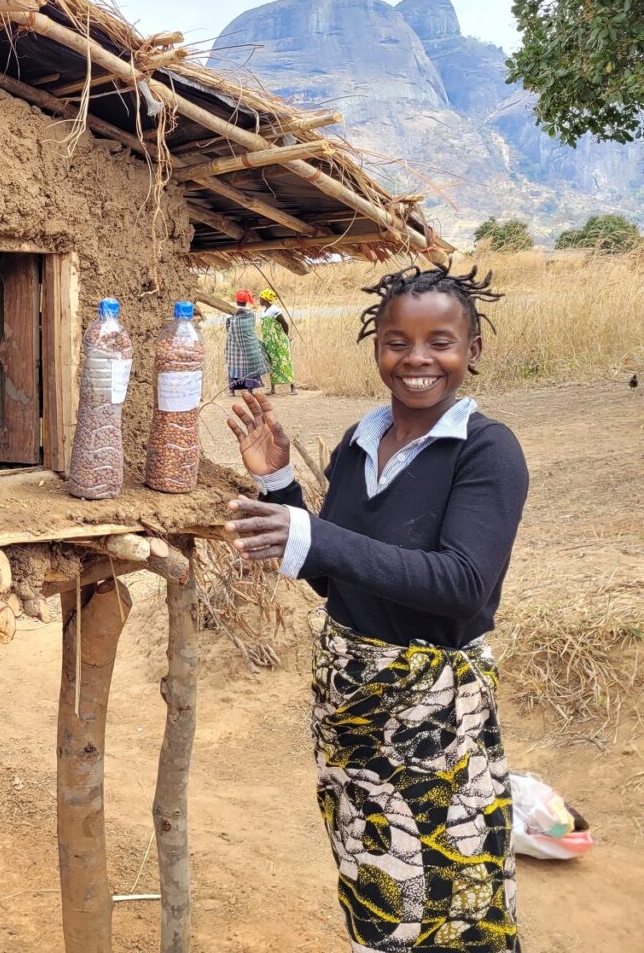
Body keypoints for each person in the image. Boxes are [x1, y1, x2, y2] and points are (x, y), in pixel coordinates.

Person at [222, 265, 528, 952]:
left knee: (451, 904)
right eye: (397, 341)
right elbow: (339, 584)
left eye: (439, 341)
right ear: (377, 348)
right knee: (376, 892)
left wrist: (316, 534)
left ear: (471, 350)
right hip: (352, 723)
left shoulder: (485, 451)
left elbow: (462, 584)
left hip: (434, 731)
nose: (417, 359)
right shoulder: (359, 444)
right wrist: (278, 485)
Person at [225, 289, 269, 394]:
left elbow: (227, 327)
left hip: (233, 344)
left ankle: (232, 391)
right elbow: (251, 327)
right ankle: (250, 389)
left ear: (236, 300)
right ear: (246, 301)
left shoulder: (229, 313)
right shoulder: (250, 314)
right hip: (248, 343)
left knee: (233, 363)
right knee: (250, 364)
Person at [256, 288, 296, 395]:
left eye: (260, 299)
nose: (259, 301)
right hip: (270, 342)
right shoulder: (264, 311)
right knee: (272, 363)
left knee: (284, 361)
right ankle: (273, 389)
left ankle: (293, 388)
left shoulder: (274, 310)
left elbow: (284, 324)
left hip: (278, 341)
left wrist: (285, 337)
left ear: (265, 300)